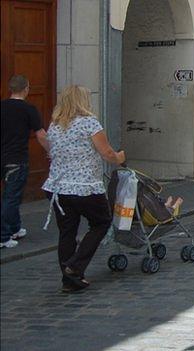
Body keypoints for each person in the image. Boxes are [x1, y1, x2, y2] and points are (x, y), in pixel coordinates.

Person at [41, 85, 125, 292]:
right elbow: (106, 153)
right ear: (83, 101)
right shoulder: (89, 123)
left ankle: (69, 279)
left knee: (67, 232)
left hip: (58, 188)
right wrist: (120, 157)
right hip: (84, 186)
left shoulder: (55, 125)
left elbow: (52, 151)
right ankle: (75, 267)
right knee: (101, 222)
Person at [1, 75, 49, 249]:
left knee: (11, 196)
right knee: (11, 197)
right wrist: (52, 152)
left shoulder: (2, 106)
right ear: (26, 89)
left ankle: (14, 228)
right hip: (16, 159)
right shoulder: (29, 109)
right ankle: (3, 236)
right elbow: (41, 135)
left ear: (10, 89)